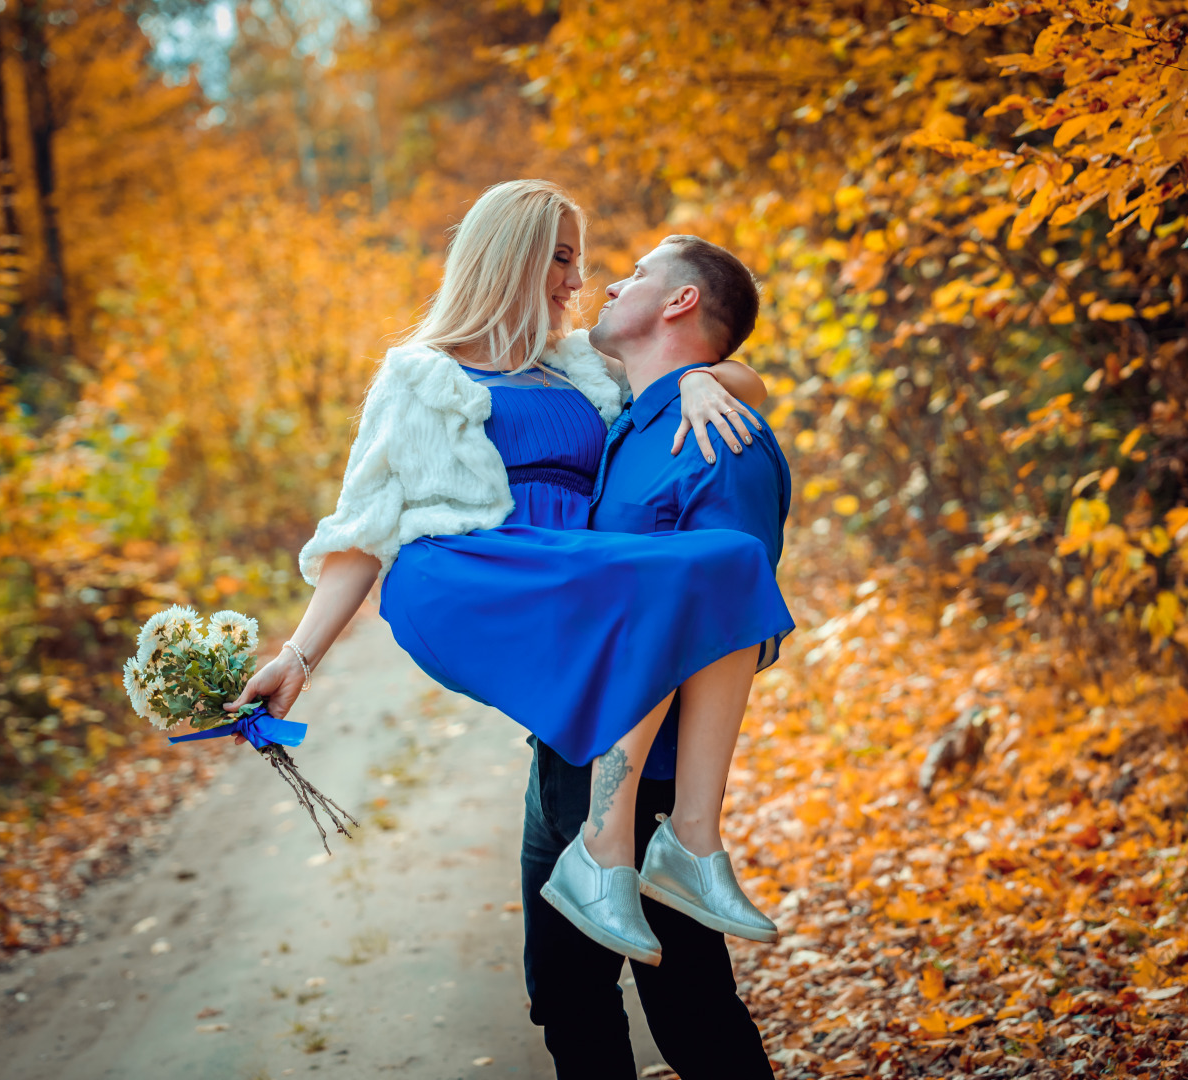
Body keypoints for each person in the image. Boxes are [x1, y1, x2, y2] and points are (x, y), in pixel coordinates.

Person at [223, 179, 792, 971]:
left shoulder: (579, 367)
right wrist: (300, 656)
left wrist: (706, 378)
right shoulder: (420, 374)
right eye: (562, 258)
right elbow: (361, 530)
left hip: (574, 581)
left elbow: (719, 369)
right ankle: (618, 850)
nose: (577, 280)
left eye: (581, 262)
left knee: (728, 563)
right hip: (472, 570)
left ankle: (662, 847)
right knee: (680, 583)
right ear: (510, 256)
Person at [519, 234, 787, 1079]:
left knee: (692, 1012)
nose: (609, 284)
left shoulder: (717, 435)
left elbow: (733, 618)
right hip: (562, 760)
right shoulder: (632, 420)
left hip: (648, 780)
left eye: (637, 273)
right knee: (567, 1000)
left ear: (679, 303)